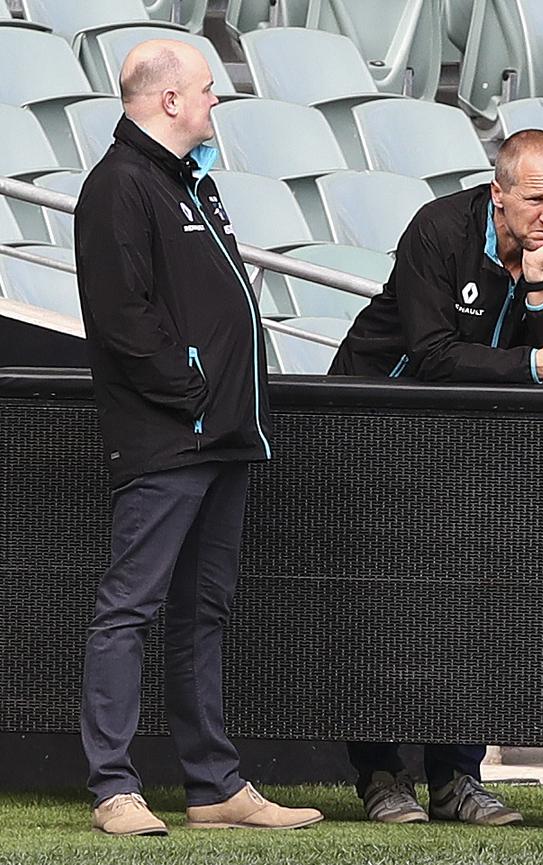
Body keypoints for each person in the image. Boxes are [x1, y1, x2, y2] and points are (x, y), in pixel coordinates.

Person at [74, 39, 323, 836]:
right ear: (170, 100)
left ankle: (213, 785)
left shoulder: (187, 181)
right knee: (130, 608)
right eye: (209, 91)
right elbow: (124, 322)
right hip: (169, 439)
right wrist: (192, 394)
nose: (218, 102)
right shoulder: (118, 185)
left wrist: (220, 405)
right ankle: (114, 787)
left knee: (202, 611)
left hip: (220, 437)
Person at [329, 130, 543, 826]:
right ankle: (381, 774)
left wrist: (540, 282)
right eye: (537, 198)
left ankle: (457, 775)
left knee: (473, 609)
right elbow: (430, 355)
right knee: (384, 606)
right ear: (499, 194)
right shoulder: (437, 230)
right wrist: (533, 367)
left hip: (478, 448)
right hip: (380, 428)